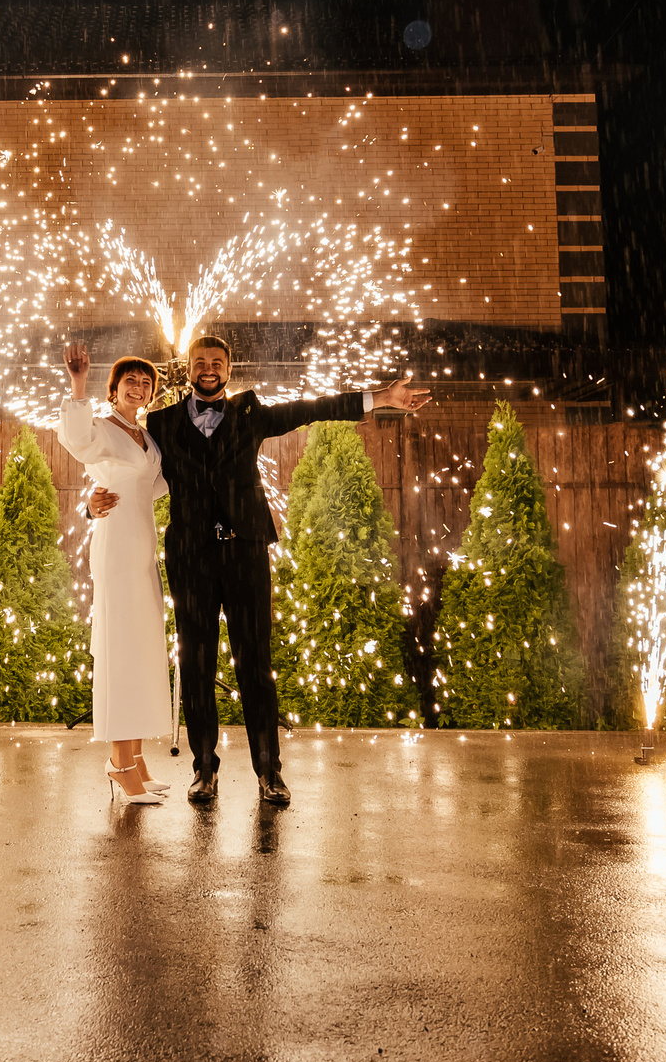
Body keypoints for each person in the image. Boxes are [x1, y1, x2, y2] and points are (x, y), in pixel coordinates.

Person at [90, 334, 429, 806]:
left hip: (246, 553)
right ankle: (203, 771)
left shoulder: (251, 413)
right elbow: (125, 469)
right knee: (196, 666)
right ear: (188, 370)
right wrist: (92, 505)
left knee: (256, 665)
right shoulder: (160, 423)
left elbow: (312, 408)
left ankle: (269, 772)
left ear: (228, 370)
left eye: (217, 362)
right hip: (191, 560)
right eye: (200, 362)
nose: (208, 369)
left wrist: (380, 399)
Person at [58, 343, 174, 805]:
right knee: (122, 653)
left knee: (143, 651)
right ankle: (119, 764)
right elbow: (76, 438)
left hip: (143, 556)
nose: (139, 386)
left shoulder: (148, 439)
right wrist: (77, 382)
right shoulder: (104, 429)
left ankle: (137, 759)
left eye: (146, 382)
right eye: (131, 379)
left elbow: (157, 486)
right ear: (114, 388)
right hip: (116, 552)